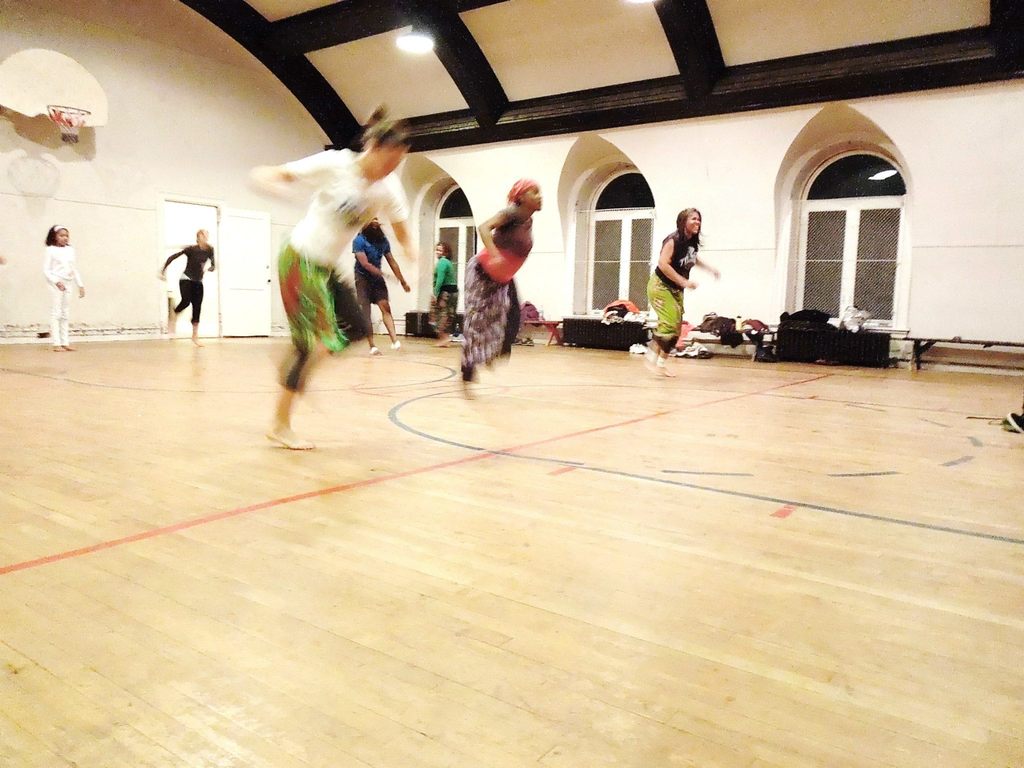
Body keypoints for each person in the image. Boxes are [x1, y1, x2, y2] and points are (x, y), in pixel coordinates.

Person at [250, 106, 415, 450]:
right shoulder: (336, 164)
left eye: (397, 164)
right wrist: (265, 179)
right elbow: (281, 173)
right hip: (299, 259)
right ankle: (280, 425)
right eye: (388, 161)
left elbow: (401, 228)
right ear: (373, 147)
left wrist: (411, 251)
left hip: (324, 268)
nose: (390, 170)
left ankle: (296, 361)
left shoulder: (388, 189)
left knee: (356, 328)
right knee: (315, 347)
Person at [461, 179, 542, 391]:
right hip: (481, 273)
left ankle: (491, 353)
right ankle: (468, 367)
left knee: (511, 319)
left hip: (503, 278)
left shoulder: (528, 220)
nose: (540, 196)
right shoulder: (511, 213)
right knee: (477, 322)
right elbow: (484, 227)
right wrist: (495, 255)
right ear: (521, 197)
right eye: (534, 192)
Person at [645, 208, 719, 376]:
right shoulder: (673, 240)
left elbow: (693, 258)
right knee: (669, 324)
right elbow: (663, 264)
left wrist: (710, 269)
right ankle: (651, 355)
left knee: (676, 329)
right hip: (660, 287)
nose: (697, 222)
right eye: (694, 219)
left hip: (676, 289)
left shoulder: (691, 242)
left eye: (699, 219)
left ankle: (660, 364)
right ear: (683, 221)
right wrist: (684, 281)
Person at [353, 217, 410, 355]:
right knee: (366, 311)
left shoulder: (383, 240)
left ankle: (395, 342)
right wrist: (384, 274)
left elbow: (392, 261)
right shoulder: (359, 240)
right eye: (371, 221)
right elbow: (365, 264)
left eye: (376, 221)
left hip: (377, 278)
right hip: (362, 278)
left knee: (385, 306)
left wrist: (402, 281)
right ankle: (372, 345)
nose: (375, 223)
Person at [160, 229, 215, 346]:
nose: (205, 237)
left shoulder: (210, 249)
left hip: (198, 281)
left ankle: (195, 336)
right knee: (186, 301)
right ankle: (174, 315)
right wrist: (163, 270)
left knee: (197, 307)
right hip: (186, 279)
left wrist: (211, 268)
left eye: (206, 235)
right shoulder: (191, 249)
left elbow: (213, 263)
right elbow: (173, 257)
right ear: (198, 237)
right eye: (203, 235)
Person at [43, 225, 85, 351]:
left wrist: (80, 284)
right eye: (61, 235)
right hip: (56, 283)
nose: (64, 238)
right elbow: (46, 270)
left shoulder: (70, 250)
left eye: (66, 236)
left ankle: (65, 342)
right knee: (56, 313)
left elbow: (73, 268)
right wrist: (56, 282)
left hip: (68, 283)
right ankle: (56, 343)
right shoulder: (50, 250)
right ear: (54, 236)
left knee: (65, 313)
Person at [428, 241, 458, 347]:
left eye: (440, 250)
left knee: (439, 315)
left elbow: (440, 279)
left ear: (446, 252)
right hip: (451, 292)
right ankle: (445, 338)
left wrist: (435, 294)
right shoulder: (447, 262)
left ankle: (444, 338)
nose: (438, 252)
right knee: (447, 316)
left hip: (445, 292)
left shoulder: (442, 262)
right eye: (437, 250)